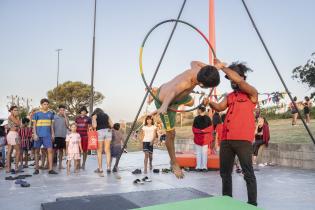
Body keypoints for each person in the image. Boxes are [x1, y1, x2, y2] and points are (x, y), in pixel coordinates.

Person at [149, 61, 220, 178]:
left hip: (178, 97)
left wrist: (216, 67)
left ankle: (161, 95)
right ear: (202, 84)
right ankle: (174, 162)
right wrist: (165, 105)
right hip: (166, 100)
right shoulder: (185, 83)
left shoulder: (197, 70)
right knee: (171, 133)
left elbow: (193, 62)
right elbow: (173, 91)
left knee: (191, 101)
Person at [208, 59, 258, 206]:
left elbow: (239, 82)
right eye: (229, 79)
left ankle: (252, 204)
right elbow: (219, 107)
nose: (231, 80)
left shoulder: (251, 93)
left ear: (242, 77)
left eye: (233, 77)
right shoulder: (229, 96)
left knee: (248, 173)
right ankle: (227, 202)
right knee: (225, 173)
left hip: (243, 141)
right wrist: (209, 102)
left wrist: (223, 67)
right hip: (226, 140)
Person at [32, 98, 58, 175]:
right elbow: (34, 125)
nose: (46, 105)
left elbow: (52, 126)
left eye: (47, 104)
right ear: (41, 105)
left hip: (47, 135)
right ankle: (36, 169)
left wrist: (53, 134)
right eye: (44, 104)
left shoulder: (51, 114)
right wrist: (35, 134)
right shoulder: (36, 114)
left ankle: (50, 169)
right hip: (38, 135)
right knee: (37, 151)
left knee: (50, 151)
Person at [92, 108, 113, 176]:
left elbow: (94, 126)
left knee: (99, 151)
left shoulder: (95, 116)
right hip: (108, 131)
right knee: (107, 150)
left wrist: (94, 119)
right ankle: (108, 167)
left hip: (100, 132)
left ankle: (100, 169)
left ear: (95, 112)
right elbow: (112, 125)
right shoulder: (106, 115)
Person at [192, 105, 212, 171]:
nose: (197, 110)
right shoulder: (208, 118)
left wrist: (200, 131)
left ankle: (198, 167)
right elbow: (211, 128)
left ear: (200, 110)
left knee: (199, 153)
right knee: (204, 153)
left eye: (198, 109)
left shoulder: (196, 118)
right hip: (205, 138)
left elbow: (193, 128)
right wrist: (204, 131)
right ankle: (204, 167)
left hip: (198, 137)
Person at [6, 106, 21, 173]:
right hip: (12, 134)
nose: (16, 111)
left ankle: (8, 168)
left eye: (17, 110)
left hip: (14, 134)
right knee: (17, 151)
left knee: (10, 151)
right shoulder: (11, 117)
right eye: (15, 110)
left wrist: (17, 126)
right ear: (11, 111)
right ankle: (16, 167)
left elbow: (18, 126)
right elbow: (18, 124)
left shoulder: (14, 117)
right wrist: (17, 125)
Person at [53, 105, 69, 170]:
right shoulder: (54, 117)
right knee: (54, 151)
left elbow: (68, 126)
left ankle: (60, 165)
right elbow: (52, 127)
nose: (62, 111)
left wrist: (65, 116)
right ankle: (52, 165)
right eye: (61, 110)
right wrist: (52, 135)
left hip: (63, 136)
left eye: (63, 110)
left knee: (61, 151)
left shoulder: (66, 118)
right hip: (56, 136)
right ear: (58, 110)